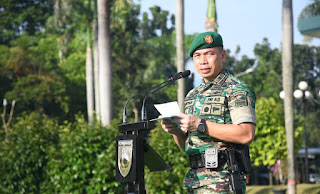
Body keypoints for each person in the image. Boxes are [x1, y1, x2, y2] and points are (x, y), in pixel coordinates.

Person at [160, 31, 256, 193]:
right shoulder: (192, 95)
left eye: (209, 54)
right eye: (197, 56)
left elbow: (246, 134)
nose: (203, 61)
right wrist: (176, 131)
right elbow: (189, 146)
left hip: (223, 182)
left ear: (223, 55)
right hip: (195, 181)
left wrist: (200, 125)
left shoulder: (236, 89)